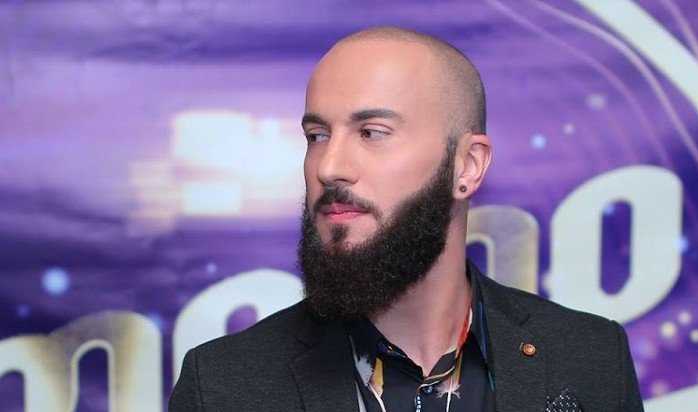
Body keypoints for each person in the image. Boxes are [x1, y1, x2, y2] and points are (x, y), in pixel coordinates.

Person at [169, 26, 644, 412]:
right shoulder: (224, 387)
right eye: (317, 135)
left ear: (467, 166)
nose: (328, 167)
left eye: (372, 132)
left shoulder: (589, 358)